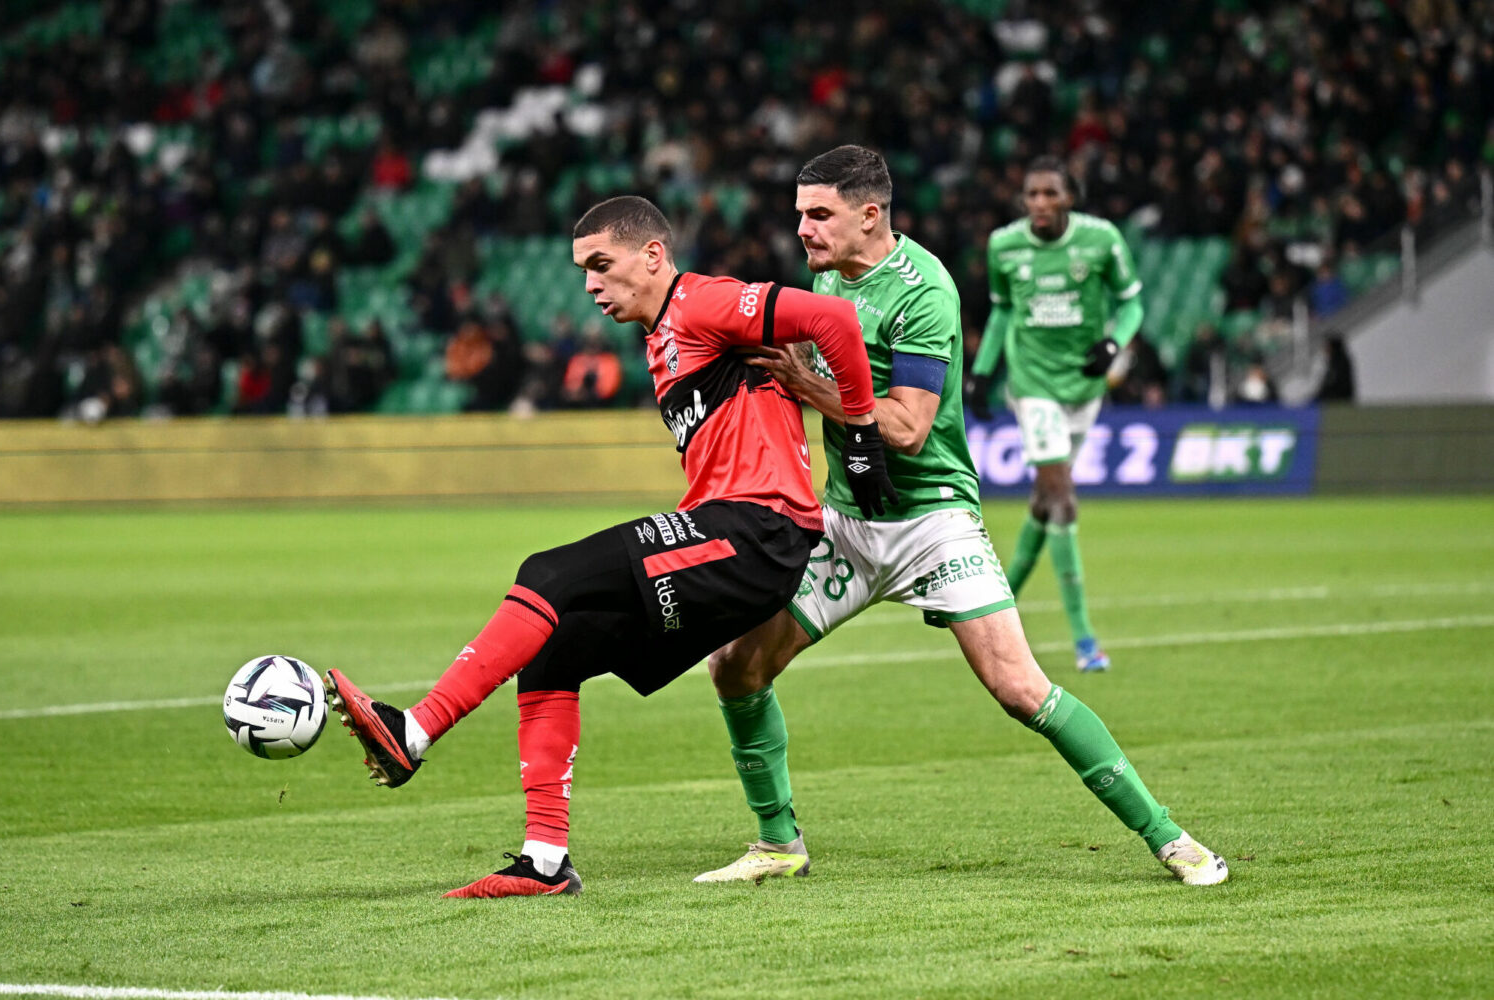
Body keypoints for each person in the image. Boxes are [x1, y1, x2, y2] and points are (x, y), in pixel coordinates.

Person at [324, 195, 897, 898]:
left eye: (601, 264)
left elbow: (834, 319)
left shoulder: (701, 302)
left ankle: (414, 730)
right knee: (551, 652)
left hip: (760, 531)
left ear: (652, 256)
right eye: (583, 272)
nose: (591, 285)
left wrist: (862, 434)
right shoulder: (661, 339)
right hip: (732, 540)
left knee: (548, 572)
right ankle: (544, 862)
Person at [696, 146, 1225, 888]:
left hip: (932, 523)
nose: (804, 229)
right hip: (846, 521)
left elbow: (908, 428)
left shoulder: (924, 291)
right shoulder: (829, 276)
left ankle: (1171, 838)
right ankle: (778, 842)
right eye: (800, 215)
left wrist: (806, 385)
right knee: (736, 666)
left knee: (1021, 690)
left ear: (870, 216)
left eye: (819, 214)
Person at [969, 155, 1145, 672]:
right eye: (1032, 194)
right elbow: (1003, 311)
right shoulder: (1004, 245)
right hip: (1033, 385)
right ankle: (1085, 640)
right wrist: (983, 372)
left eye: (1050, 193)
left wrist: (1114, 343)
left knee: (1044, 503)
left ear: (1071, 197)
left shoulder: (1102, 240)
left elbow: (1132, 304)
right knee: (1062, 495)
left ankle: (995, 602)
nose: (1040, 203)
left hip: (1084, 386)